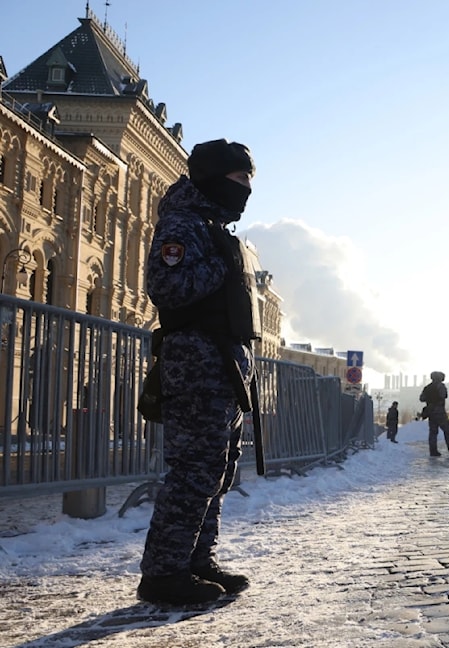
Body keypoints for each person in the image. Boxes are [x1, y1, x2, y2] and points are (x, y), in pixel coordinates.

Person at [137, 139, 259, 606]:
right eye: (239, 179)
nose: (247, 190)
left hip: (220, 365)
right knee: (193, 471)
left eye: (250, 180)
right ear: (213, 179)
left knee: (217, 471)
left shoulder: (211, 226)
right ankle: (163, 573)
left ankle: (196, 560)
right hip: (195, 363)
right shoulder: (183, 223)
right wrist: (220, 265)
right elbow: (166, 286)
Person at [419, 371, 449, 457]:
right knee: (447, 430)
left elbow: (421, 398)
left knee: (433, 432)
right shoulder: (440, 386)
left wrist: (430, 398)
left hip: (430, 412)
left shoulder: (427, 387)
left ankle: (433, 451)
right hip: (439, 411)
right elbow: (444, 395)